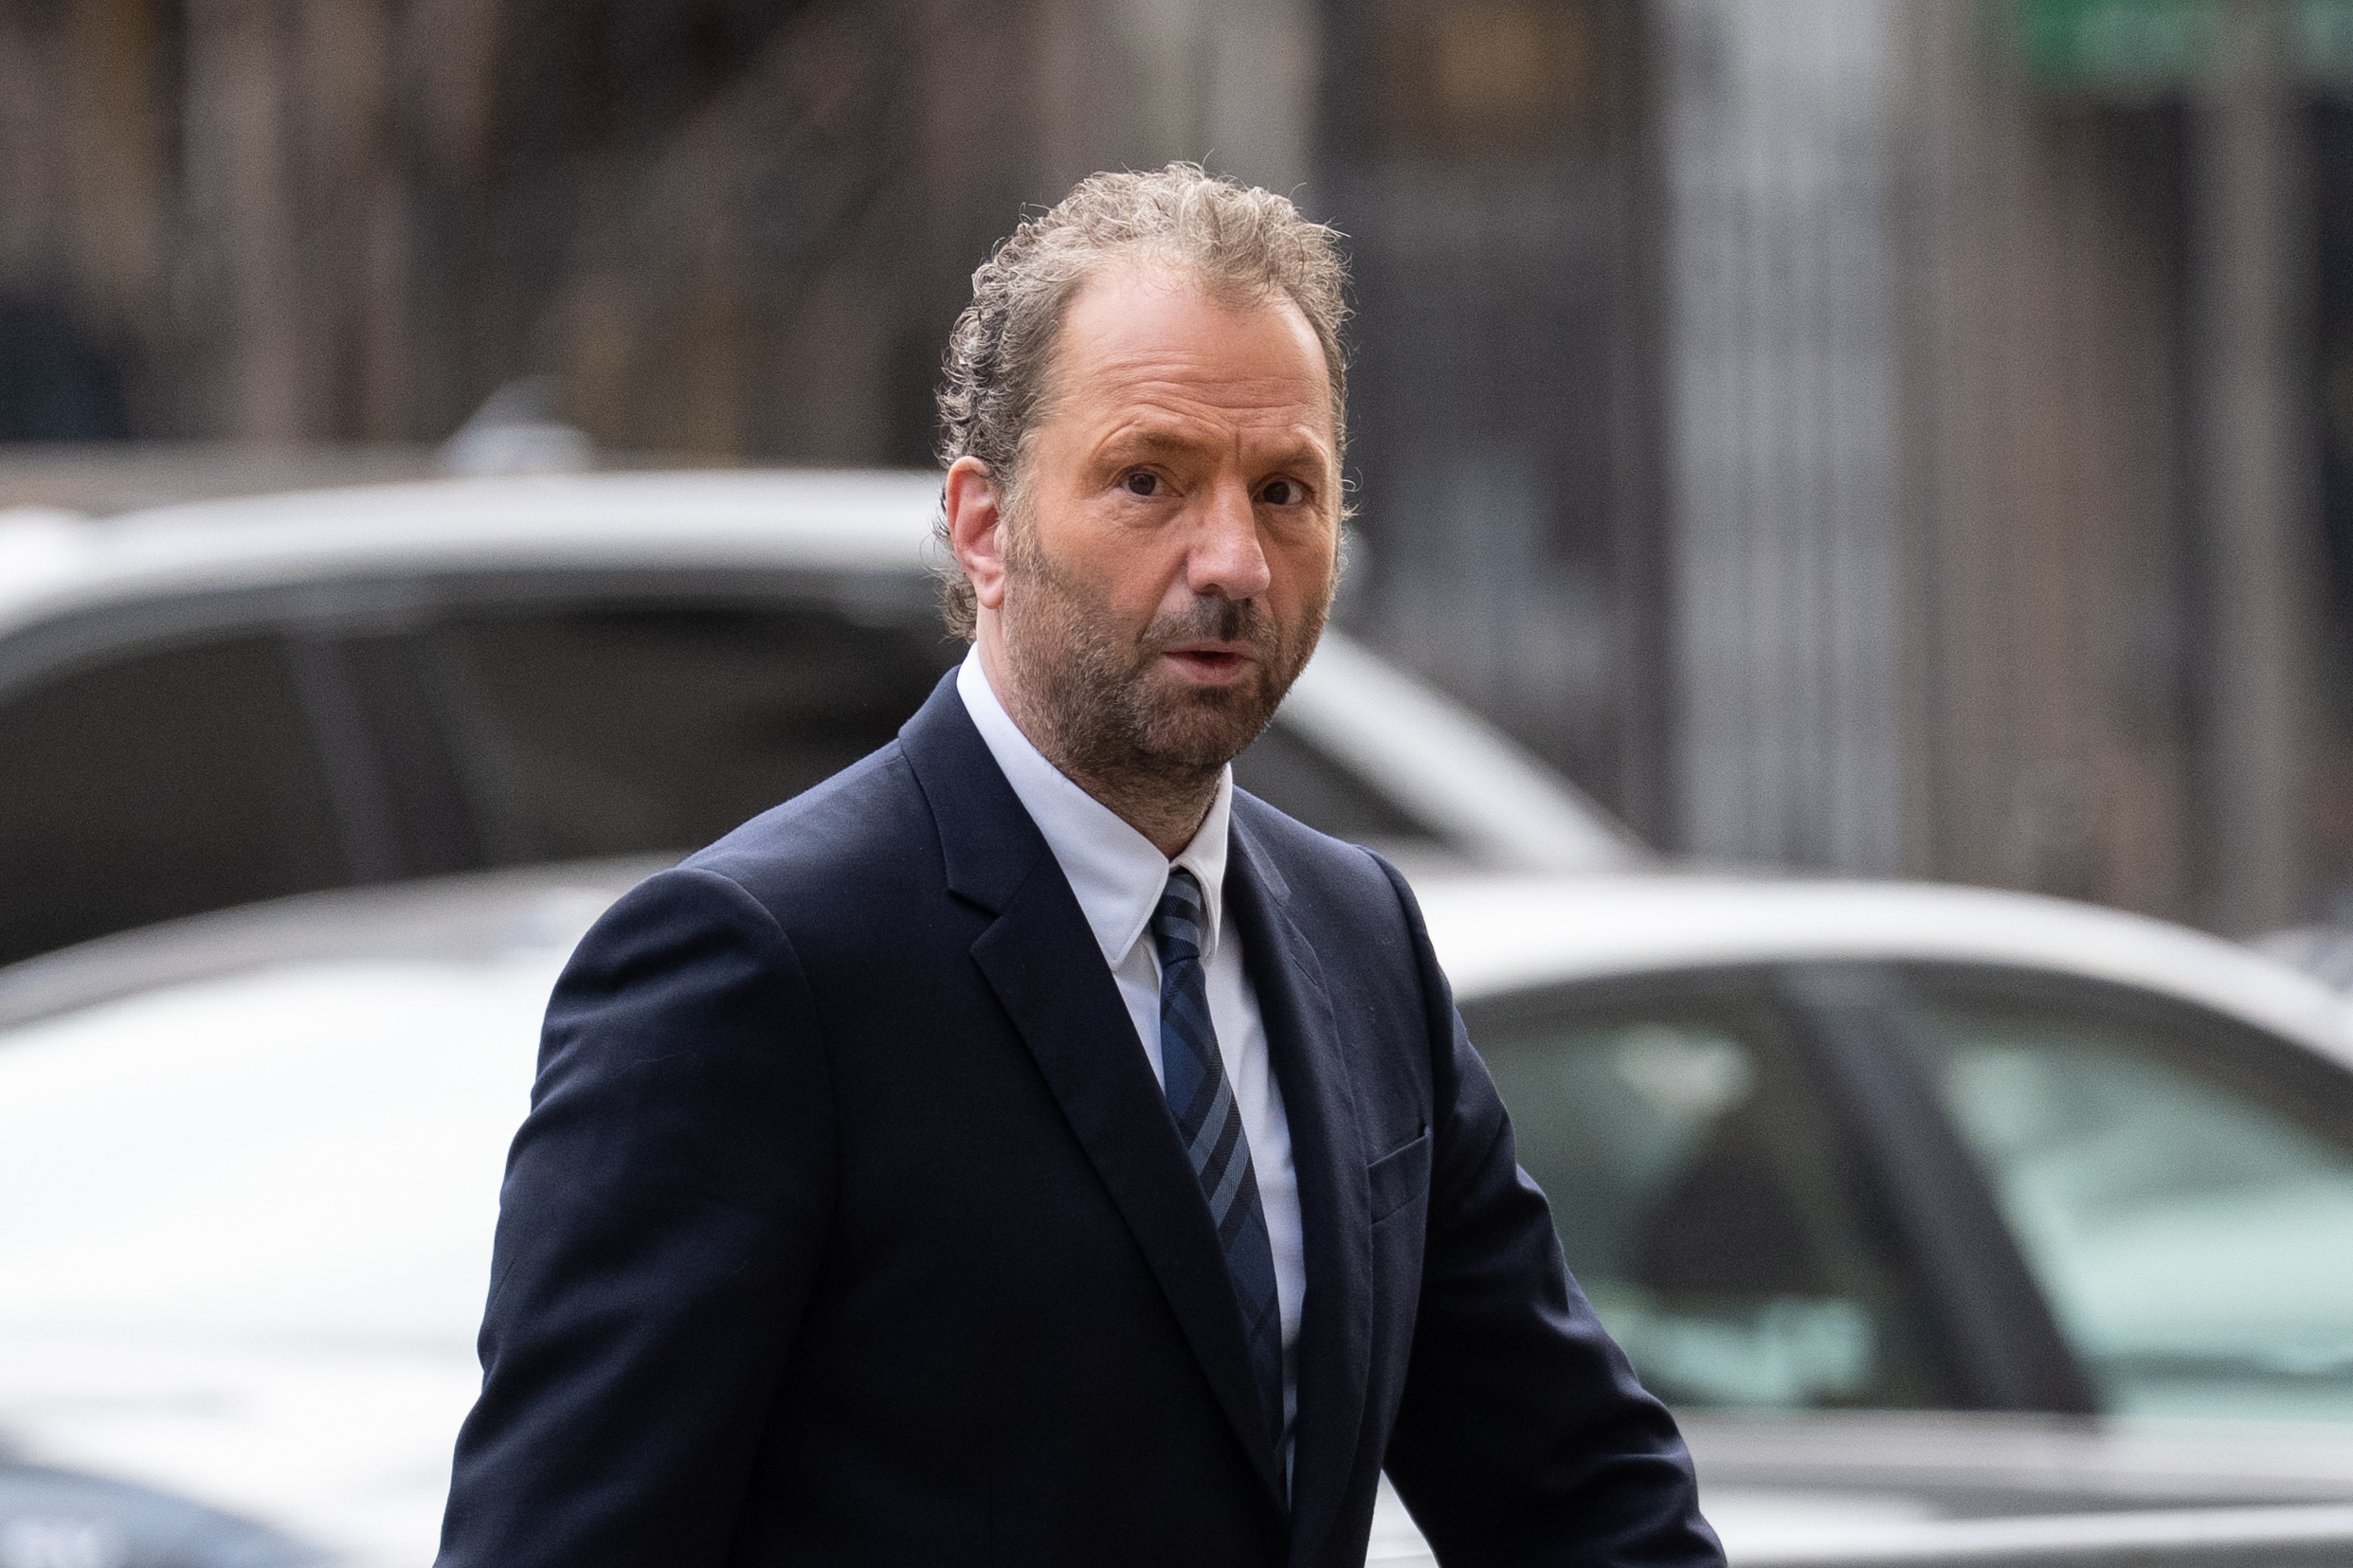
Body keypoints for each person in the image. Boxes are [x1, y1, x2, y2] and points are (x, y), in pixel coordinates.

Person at [435, 164, 1723, 1568]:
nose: (1233, 560)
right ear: (984, 527)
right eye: (1148, 479)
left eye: (1285, 491)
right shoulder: (751, 968)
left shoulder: (1360, 939)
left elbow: (1579, 1498)